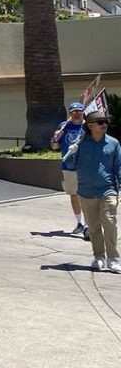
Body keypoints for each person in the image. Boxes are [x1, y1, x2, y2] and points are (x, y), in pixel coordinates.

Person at [72, 110, 121, 273]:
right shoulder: (81, 143)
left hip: (108, 190)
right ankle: (99, 256)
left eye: (106, 122)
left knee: (110, 222)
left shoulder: (113, 143)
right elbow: (71, 165)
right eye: (101, 123)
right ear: (91, 126)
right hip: (86, 191)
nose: (104, 125)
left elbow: (119, 167)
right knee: (93, 227)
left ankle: (113, 259)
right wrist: (71, 152)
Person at [51, 101, 88, 238]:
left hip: (85, 166)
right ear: (70, 113)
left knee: (85, 195)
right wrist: (56, 138)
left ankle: (89, 226)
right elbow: (54, 147)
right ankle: (80, 223)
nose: (77, 114)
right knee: (74, 194)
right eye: (74, 112)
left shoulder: (87, 126)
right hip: (68, 165)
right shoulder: (64, 126)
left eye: (79, 112)